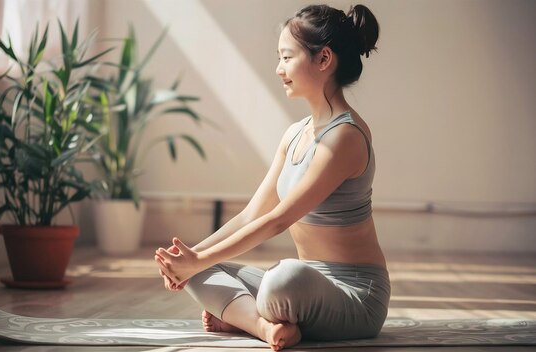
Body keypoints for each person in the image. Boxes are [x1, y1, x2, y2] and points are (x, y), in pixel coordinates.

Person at [154, 4, 389, 351]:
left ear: (323, 60)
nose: (278, 70)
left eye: (286, 58)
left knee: (282, 278)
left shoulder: (346, 137)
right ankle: (266, 328)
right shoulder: (295, 133)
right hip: (305, 288)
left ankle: (240, 316)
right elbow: (253, 214)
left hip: (354, 297)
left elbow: (278, 220)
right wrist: (189, 259)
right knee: (202, 271)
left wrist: (198, 261)